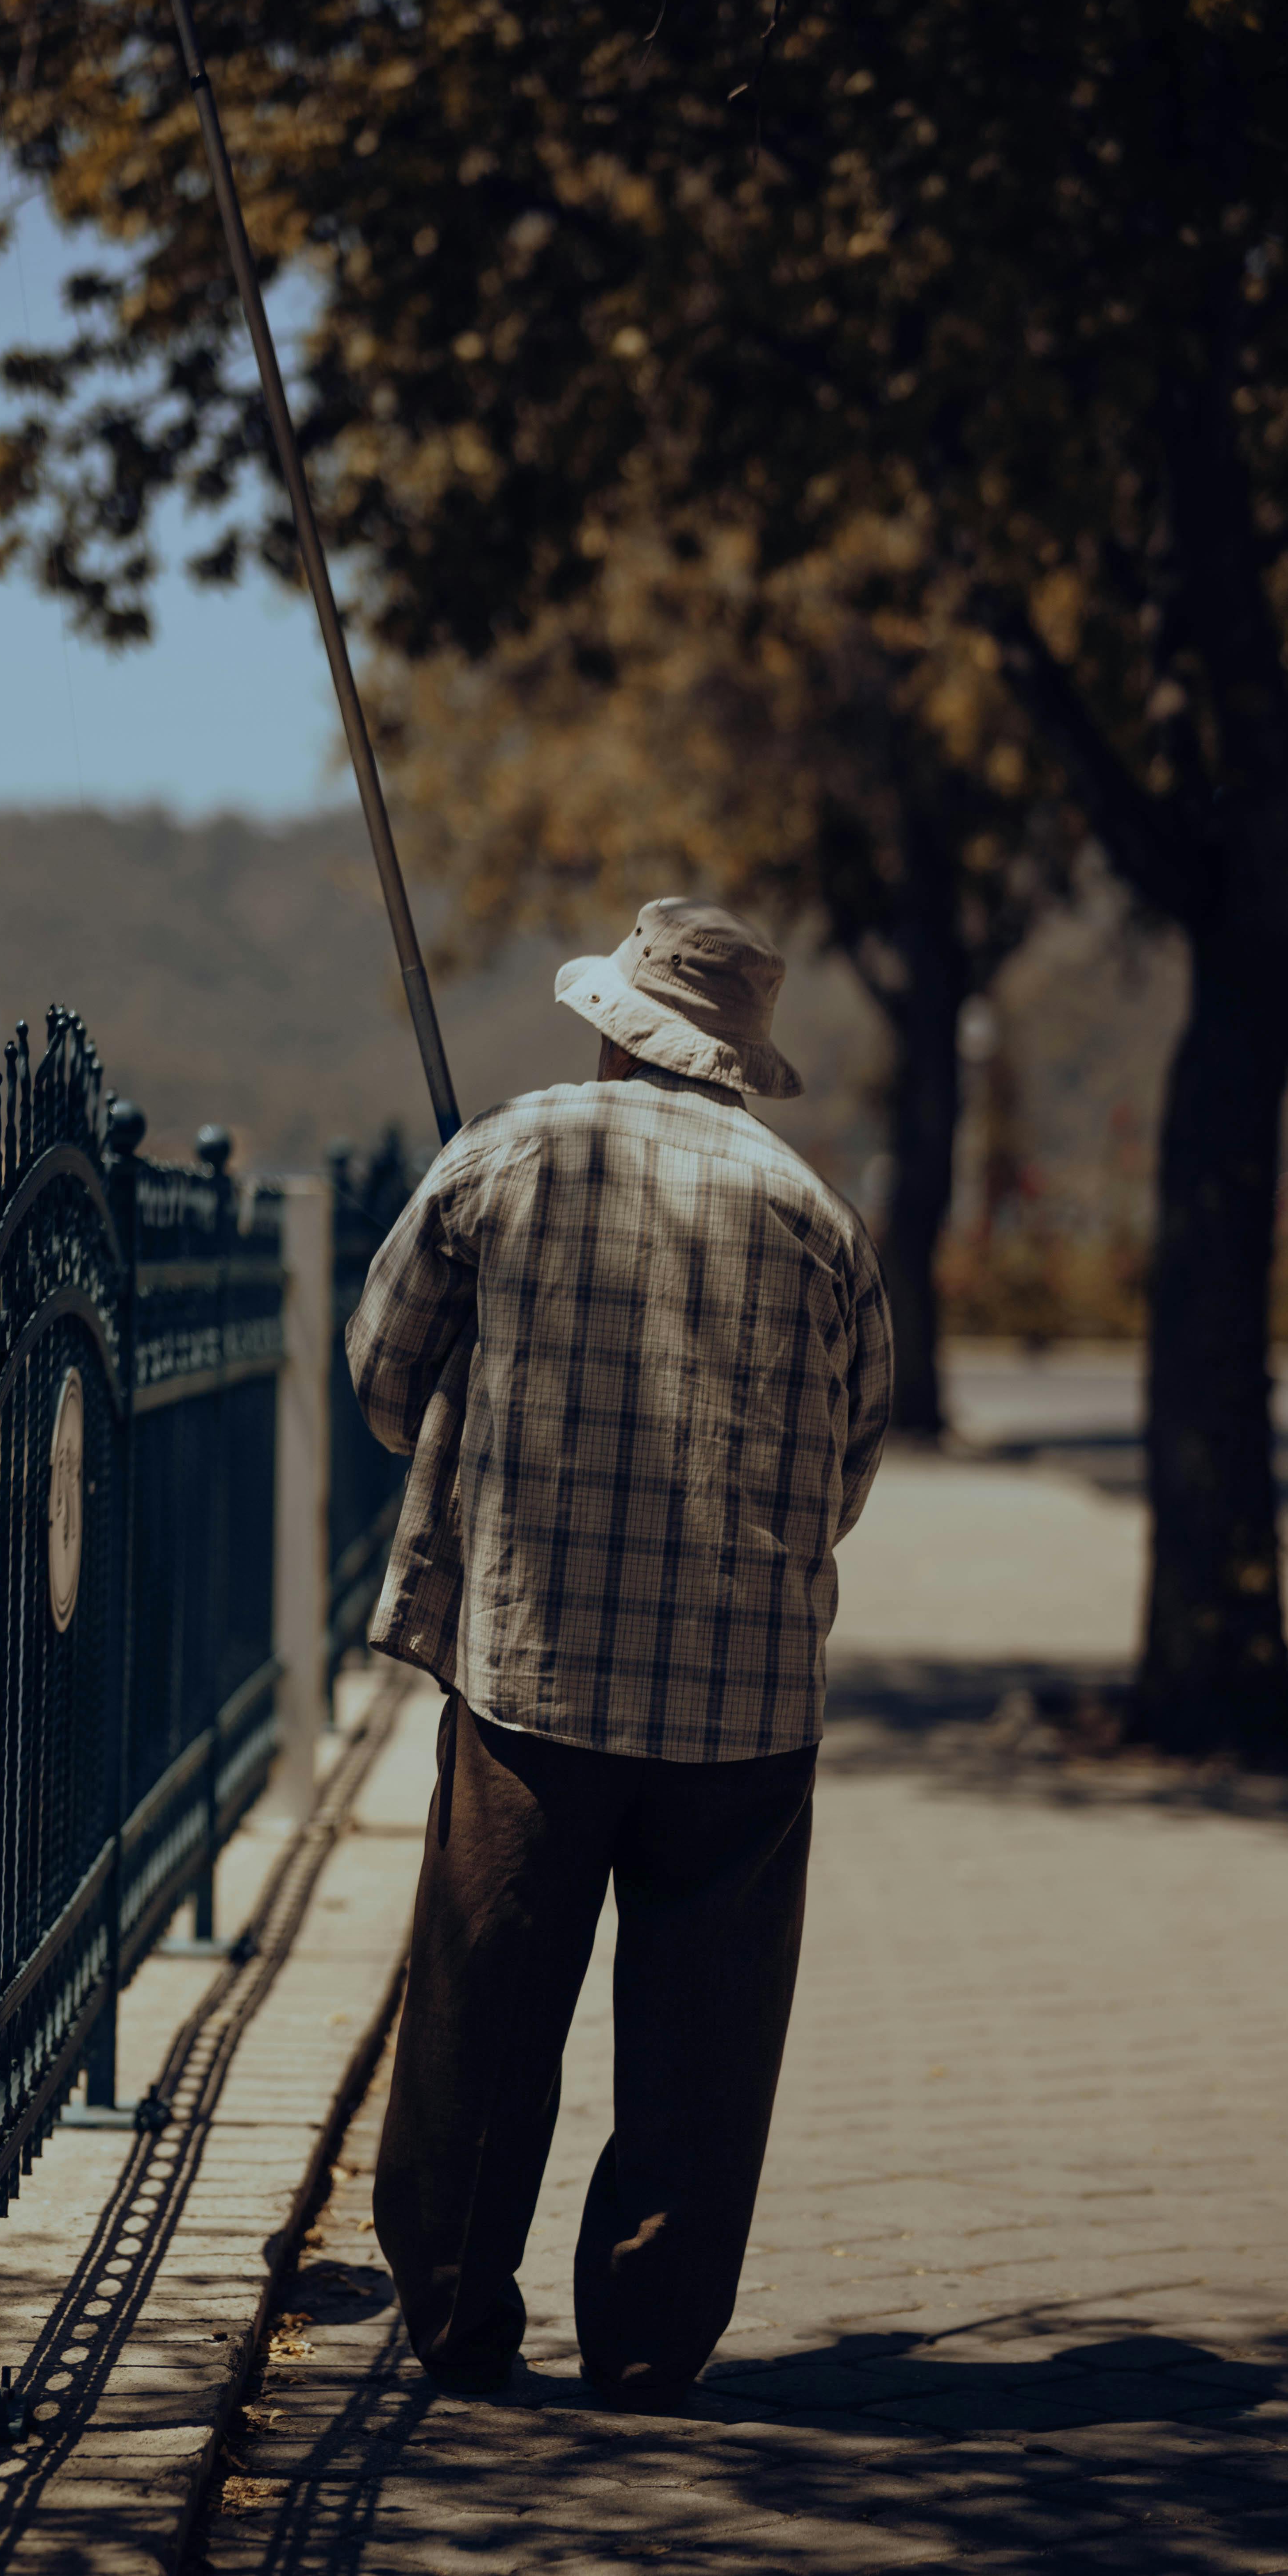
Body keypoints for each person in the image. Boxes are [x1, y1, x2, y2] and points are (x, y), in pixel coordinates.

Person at [346, 896, 892, 2411]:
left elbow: (383, 1376)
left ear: (614, 1022)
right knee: (704, 2053)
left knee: (486, 2015)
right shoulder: (820, 1218)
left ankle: (458, 2323)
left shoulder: (512, 1151)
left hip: (536, 1680)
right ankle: (647, 2347)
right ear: (739, 1056)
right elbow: (845, 1476)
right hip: (748, 1712)